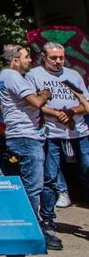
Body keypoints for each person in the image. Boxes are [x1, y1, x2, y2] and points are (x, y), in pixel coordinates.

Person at [0, 43, 59, 250]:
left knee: (28, 186)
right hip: (25, 138)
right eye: (26, 57)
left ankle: (27, 229)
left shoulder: (6, 78)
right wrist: (45, 93)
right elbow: (36, 102)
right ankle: (32, 232)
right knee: (33, 187)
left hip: (24, 136)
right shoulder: (12, 76)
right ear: (15, 60)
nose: (30, 60)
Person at [27, 42, 89, 234]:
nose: (58, 61)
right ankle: (47, 220)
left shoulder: (73, 75)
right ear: (44, 57)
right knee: (50, 178)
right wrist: (55, 113)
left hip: (79, 132)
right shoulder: (34, 75)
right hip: (50, 134)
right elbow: (32, 102)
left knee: (87, 170)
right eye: (54, 58)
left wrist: (71, 111)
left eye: (61, 57)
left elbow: (86, 102)